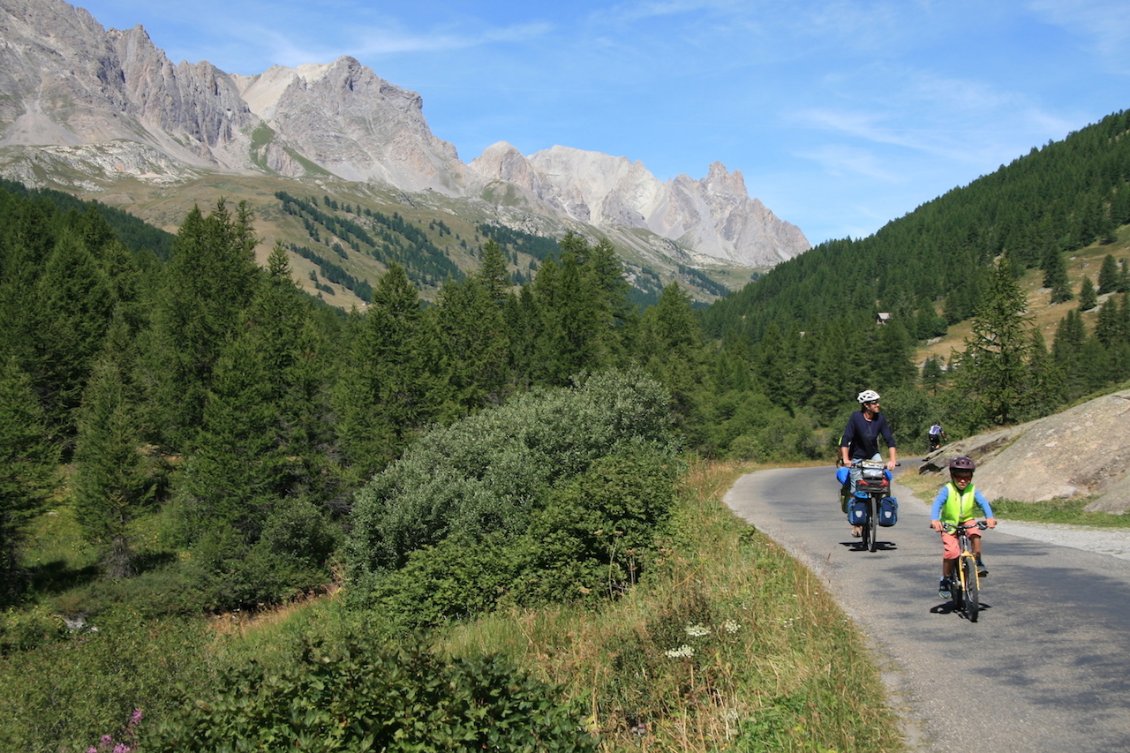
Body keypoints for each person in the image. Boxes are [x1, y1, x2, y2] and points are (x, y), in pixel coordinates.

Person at [930, 455, 997, 599]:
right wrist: (935, 520)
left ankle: (977, 561)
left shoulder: (973, 489)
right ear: (952, 476)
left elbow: (983, 503)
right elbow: (937, 504)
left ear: (971, 477)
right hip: (949, 523)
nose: (962, 480)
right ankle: (945, 580)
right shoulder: (947, 489)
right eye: (959, 477)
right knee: (952, 552)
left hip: (967, 520)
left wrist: (989, 518)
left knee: (975, 534)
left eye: (966, 477)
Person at [839, 389, 898, 537]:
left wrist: (892, 460)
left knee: (884, 480)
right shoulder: (856, 418)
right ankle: (857, 522)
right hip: (857, 457)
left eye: (878, 402)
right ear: (866, 405)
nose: (878, 405)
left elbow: (889, 440)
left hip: (873, 455)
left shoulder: (880, 419)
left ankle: (880, 507)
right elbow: (846, 439)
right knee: (856, 486)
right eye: (875, 403)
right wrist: (846, 460)